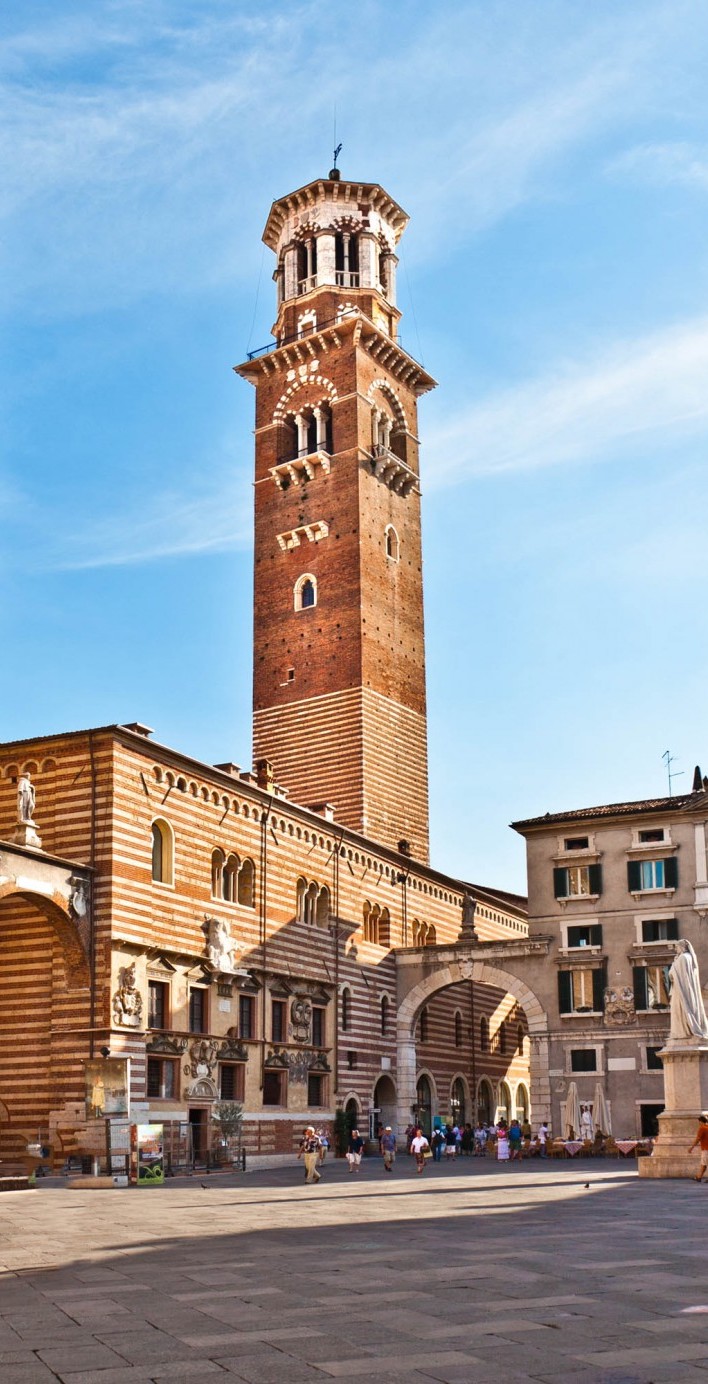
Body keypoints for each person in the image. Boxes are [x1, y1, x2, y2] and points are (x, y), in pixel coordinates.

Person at [688, 1115, 708, 1182]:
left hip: (706, 1149)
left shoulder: (702, 1128)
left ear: (700, 1121)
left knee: (703, 1164)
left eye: (699, 1122)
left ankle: (699, 1177)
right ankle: (699, 1177)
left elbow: (697, 1139)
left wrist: (691, 1148)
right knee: (704, 1164)